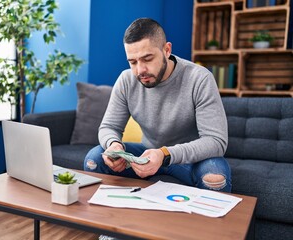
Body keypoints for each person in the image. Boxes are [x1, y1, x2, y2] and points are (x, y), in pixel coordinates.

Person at [84, 17, 231, 192]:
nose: (140, 70)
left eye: (147, 59)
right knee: (94, 159)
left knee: (215, 178)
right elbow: (109, 126)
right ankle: (111, 218)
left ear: (167, 50)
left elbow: (216, 141)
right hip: (146, 155)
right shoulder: (126, 80)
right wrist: (114, 145)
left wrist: (164, 154)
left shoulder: (199, 78)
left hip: (191, 159)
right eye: (133, 62)